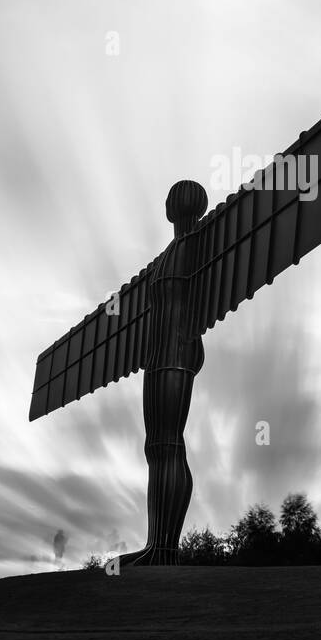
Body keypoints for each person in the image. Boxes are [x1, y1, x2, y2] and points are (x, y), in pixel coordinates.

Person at [118, 180, 207, 566]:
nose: (171, 203)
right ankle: (156, 541)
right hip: (156, 357)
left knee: (169, 443)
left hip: (177, 353)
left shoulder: (203, 242)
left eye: (175, 197)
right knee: (156, 446)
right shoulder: (164, 258)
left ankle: (166, 549)